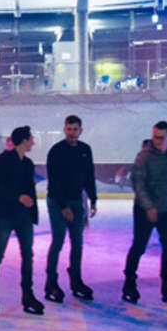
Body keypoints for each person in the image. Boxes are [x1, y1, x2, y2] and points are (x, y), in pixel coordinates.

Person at [122, 121, 167, 305]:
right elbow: (138, 184)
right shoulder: (143, 156)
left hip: (166, 208)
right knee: (139, 246)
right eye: (155, 137)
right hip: (144, 209)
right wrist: (149, 207)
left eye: (161, 137)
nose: (157, 141)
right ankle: (129, 283)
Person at [0, 126, 43, 317]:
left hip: (24, 216)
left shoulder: (28, 163)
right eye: (31, 139)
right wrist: (18, 197)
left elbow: (30, 189)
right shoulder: (3, 160)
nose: (33, 142)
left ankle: (27, 294)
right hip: (6, 215)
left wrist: (32, 210)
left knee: (28, 255)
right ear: (23, 140)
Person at [44, 115, 97, 302]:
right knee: (58, 241)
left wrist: (93, 199)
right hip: (57, 201)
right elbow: (54, 182)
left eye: (75, 129)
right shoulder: (56, 151)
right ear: (64, 129)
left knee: (77, 242)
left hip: (76, 201)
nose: (72, 133)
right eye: (69, 129)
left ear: (80, 130)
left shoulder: (85, 150)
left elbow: (89, 176)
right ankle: (51, 282)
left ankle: (76, 279)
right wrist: (63, 206)